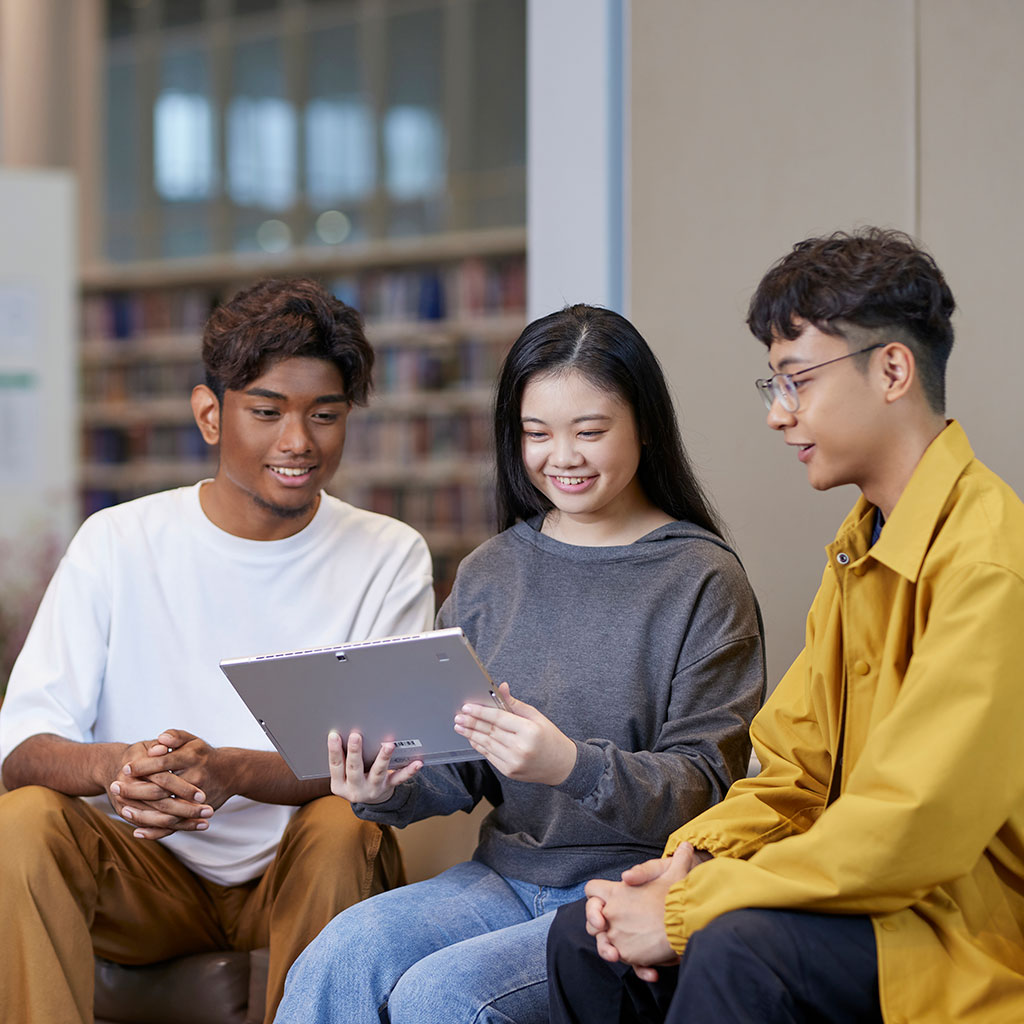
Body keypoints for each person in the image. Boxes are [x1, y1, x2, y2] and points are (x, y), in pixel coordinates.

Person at [546, 228, 1024, 1023]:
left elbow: (911, 832)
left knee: (738, 948)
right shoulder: (861, 544)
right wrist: (687, 863)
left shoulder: (988, 563)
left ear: (893, 370)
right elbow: (791, 774)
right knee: (581, 936)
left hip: (958, 931)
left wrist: (688, 911)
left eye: (797, 380)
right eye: (772, 384)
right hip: (862, 902)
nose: (778, 414)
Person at [273, 303, 766, 1024]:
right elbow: (456, 770)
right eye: (537, 434)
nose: (560, 457)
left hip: (629, 893)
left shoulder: (700, 578)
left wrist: (572, 764)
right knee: (338, 954)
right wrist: (381, 787)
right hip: (502, 878)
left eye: (589, 431)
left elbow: (707, 788)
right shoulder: (491, 572)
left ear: (645, 425)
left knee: (440, 997)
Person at [0, 278, 434, 1023]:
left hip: (300, 877)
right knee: (24, 821)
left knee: (343, 824)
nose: (298, 442)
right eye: (267, 412)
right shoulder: (119, 541)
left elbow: (385, 762)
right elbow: (18, 752)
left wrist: (234, 771)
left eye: (325, 416)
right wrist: (117, 766)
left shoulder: (388, 554)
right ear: (211, 414)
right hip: (143, 881)